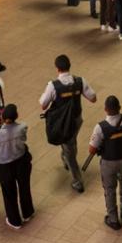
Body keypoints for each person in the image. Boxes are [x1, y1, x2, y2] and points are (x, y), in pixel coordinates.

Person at [38, 55, 97, 193]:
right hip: (76, 119)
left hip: (60, 122)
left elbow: (43, 105)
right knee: (70, 141)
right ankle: (66, 155)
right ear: (69, 66)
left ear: (57, 68)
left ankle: (78, 180)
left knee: (70, 149)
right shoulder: (80, 81)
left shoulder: (53, 86)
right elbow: (93, 98)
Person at [88, 95, 122, 230]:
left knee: (110, 190)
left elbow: (92, 149)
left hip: (108, 162)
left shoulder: (100, 127)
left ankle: (113, 219)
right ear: (119, 108)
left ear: (105, 109)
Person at [0, 103, 35, 229]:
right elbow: (23, 138)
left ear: (2, 117)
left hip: (5, 166)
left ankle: (14, 220)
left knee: (9, 193)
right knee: (24, 188)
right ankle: (27, 212)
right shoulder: (22, 127)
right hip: (22, 162)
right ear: (16, 116)